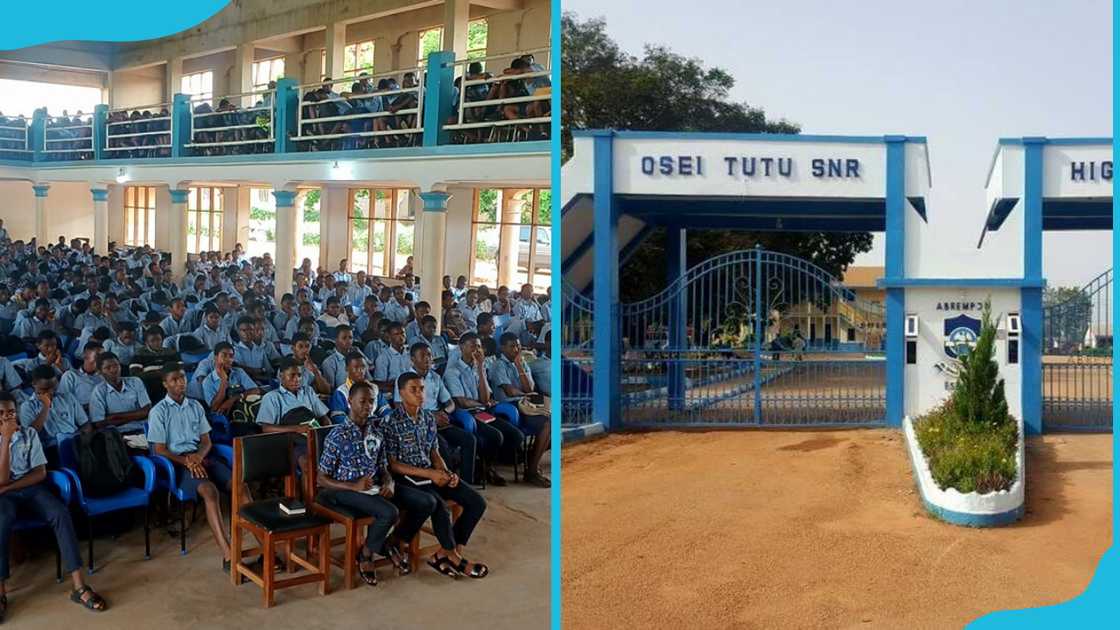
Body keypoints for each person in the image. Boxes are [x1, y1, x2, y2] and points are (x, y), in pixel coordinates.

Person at [0, 393, 108, 620]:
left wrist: (10, 487)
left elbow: (39, 474)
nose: (7, 417)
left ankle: (79, 587)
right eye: (1, 414)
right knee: (1, 522)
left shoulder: (29, 434)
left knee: (60, 513)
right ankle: (1, 592)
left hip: (28, 488)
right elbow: (1, 479)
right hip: (4, 497)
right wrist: (6, 441)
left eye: (10, 412)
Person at [383, 372, 488, 580]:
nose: (420, 394)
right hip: (406, 477)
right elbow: (393, 464)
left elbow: (434, 452)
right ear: (401, 393)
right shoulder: (390, 421)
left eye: (421, 389)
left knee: (476, 502)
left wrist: (445, 472)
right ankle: (453, 557)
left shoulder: (427, 418)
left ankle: (444, 553)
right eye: (413, 390)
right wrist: (430, 473)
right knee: (437, 504)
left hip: (429, 473)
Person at [315, 382, 408, 585]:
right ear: (349, 402)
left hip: (368, 487)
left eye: (371, 402)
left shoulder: (376, 431)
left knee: (411, 501)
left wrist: (389, 482)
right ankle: (365, 554)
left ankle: (384, 543)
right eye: (362, 401)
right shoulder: (338, 435)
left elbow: (383, 466)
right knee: (388, 512)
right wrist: (353, 486)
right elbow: (321, 478)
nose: (368, 406)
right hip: (339, 490)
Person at [148, 364, 238, 573]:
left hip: (201, 457)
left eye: (182, 379)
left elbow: (206, 441)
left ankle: (262, 542)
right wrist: (188, 461)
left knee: (238, 485)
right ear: (165, 384)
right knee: (209, 491)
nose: (180, 383)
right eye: (174, 380)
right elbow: (160, 449)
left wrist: (198, 456)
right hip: (177, 463)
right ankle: (228, 553)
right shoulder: (158, 411)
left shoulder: (195, 406)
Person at [444, 332, 529, 487]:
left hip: (482, 411)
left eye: (478, 346)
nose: (476, 350)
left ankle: (486, 465)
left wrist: (481, 368)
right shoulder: (453, 371)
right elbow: (462, 402)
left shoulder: (478, 368)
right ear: (461, 347)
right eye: (472, 346)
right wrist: (480, 403)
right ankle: (483, 468)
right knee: (496, 436)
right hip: (467, 414)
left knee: (516, 435)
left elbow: (485, 397)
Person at [489, 333, 551, 487]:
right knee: (547, 424)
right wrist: (525, 393)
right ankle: (531, 471)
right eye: (512, 346)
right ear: (502, 348)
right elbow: (510, 392)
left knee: (552, 422)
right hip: (509, 409)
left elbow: (529, 388)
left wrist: (519, 366)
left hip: (526, 404)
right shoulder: (498, 365)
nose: (516, 349)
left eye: (518, 345)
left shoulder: (521, 362)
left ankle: (532, 464)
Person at [88, 352, 151, 434]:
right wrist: (137, 415)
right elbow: (99, 423)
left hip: (143, 429)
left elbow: (147, 410)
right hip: (118, 434)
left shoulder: (135, 382)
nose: (114, 370)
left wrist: (115, 416)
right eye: (108, 368)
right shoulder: (99, 391)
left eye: (116, 365)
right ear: (100, 372)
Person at [203, 342, 262, 417]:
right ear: (215, 358)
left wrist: (233, 399)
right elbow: (214, 407)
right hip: (228, 417)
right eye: (224, 355)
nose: (228, 359)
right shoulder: (208, 381)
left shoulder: (239, 372)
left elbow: (256, 390)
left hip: (247, 410)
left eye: (231, 356)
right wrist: (224, 381)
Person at [372, 323, 411, 400]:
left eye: (402, 333)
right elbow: (379, 383)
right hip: (392, 395)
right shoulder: (383, 357)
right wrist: (395, 384)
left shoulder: (410, 354)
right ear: (389, 338)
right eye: (396, 334)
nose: (401, 336)